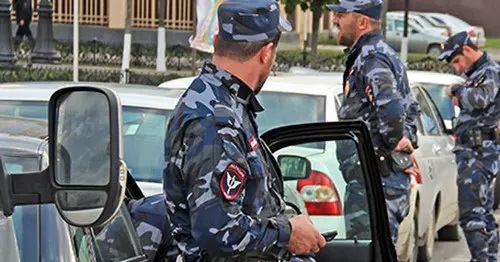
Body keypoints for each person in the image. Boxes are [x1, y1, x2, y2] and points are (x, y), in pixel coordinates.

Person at [163, 0, 326, 261]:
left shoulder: (224, 102)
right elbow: (218, 230)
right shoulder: (215, 121)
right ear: (266, 52)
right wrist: (287, 234)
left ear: (217, 40)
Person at [327, 0, 420, 250]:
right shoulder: (381, 54)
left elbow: (392, 109)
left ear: (362, 22)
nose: (334, 20)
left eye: (340, 15)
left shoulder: (372, 57)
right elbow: (412, 109)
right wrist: (404, 141)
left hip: (375, 181)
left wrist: (395, 141)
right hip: (379, 180)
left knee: (369, 253)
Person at [439, 31, 500, 262]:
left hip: (479, 152)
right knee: (481, 212)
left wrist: (458, 90)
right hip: (474, 151)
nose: (456, 67)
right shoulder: (478, 73)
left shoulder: (490, 72)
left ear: (466, 50)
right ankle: (488, 258)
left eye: (456, 61)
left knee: (471, 213)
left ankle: (482, 258)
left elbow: (480, 99)